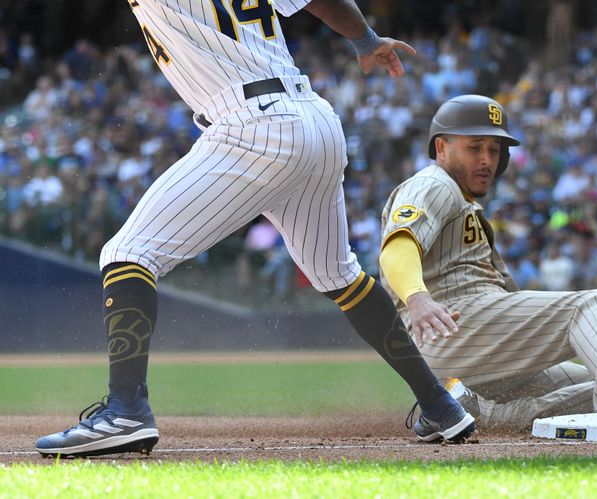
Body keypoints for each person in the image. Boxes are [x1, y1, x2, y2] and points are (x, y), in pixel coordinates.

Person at [35, 0, 475, 458]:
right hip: (316, 121)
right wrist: (366, 41)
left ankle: (125, 411)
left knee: (128, 254)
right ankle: (440, 407)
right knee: (337, 275)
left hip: (252, 123)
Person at [378, 94, 597, 430]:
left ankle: (473, 410)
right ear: (441, 148)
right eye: (475, 147)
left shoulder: (460, 199)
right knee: (594, 304)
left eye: (494, 150)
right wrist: (417, 298)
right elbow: (399, 245)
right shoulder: (435, 185)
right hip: (451, 328)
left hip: (465, 347)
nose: (486, 160)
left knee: (588, 382)